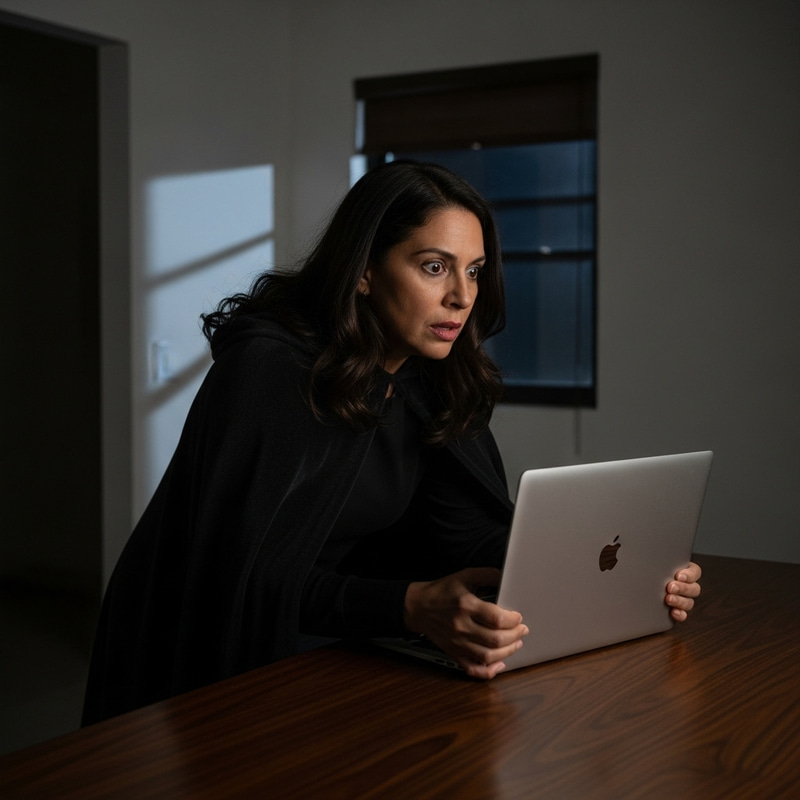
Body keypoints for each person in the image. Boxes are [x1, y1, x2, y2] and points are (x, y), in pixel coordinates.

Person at [82, 161, 702, 725]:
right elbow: (241, 579)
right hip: (208, 663)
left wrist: (618, 570)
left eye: (475, 271)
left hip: (340, 642)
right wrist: (408, 606)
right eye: (434, 266)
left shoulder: (433, 376)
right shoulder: (268, 373)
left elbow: (463, 531)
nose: (461, 296)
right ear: (364, 272)